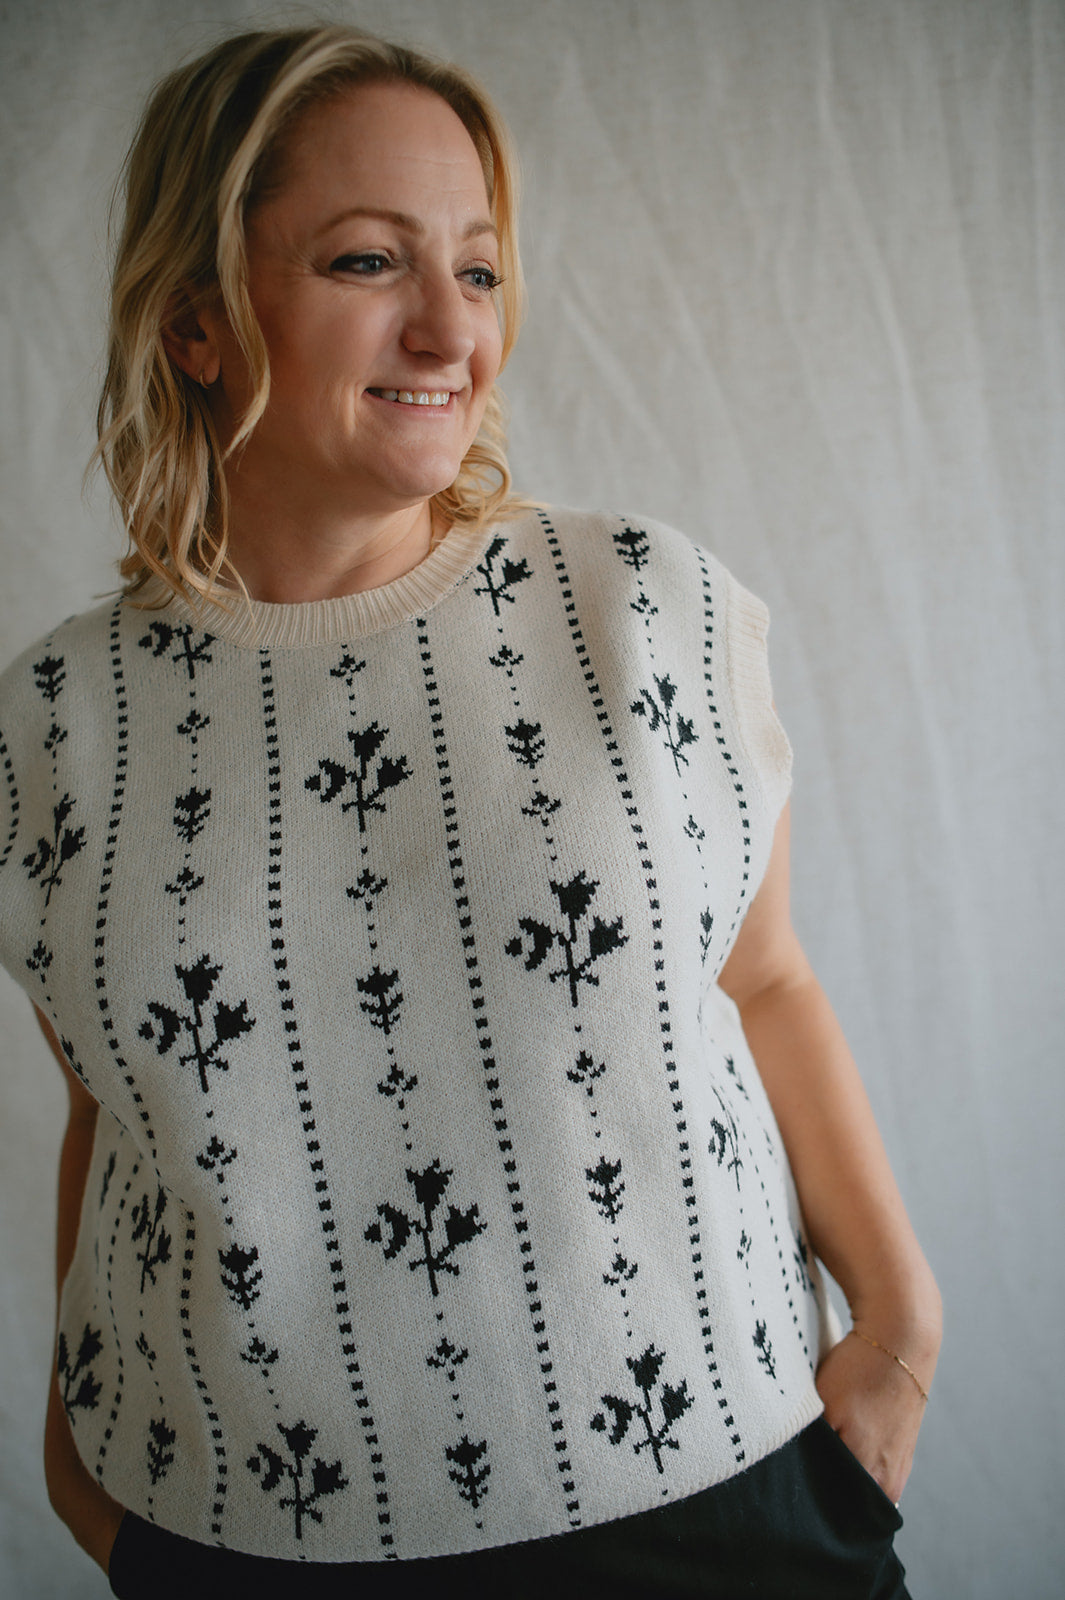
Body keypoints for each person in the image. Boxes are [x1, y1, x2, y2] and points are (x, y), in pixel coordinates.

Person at [0, 23, 941, 1599]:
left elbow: (765, 978)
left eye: (481, 270)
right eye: (369, 261)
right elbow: (120, 1108)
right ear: (194, 322)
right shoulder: (51, 726)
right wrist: (72, 1446)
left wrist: (899, 1326)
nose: (451, 329)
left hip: (715, 1502)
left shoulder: (640, 609)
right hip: (246, 1532)